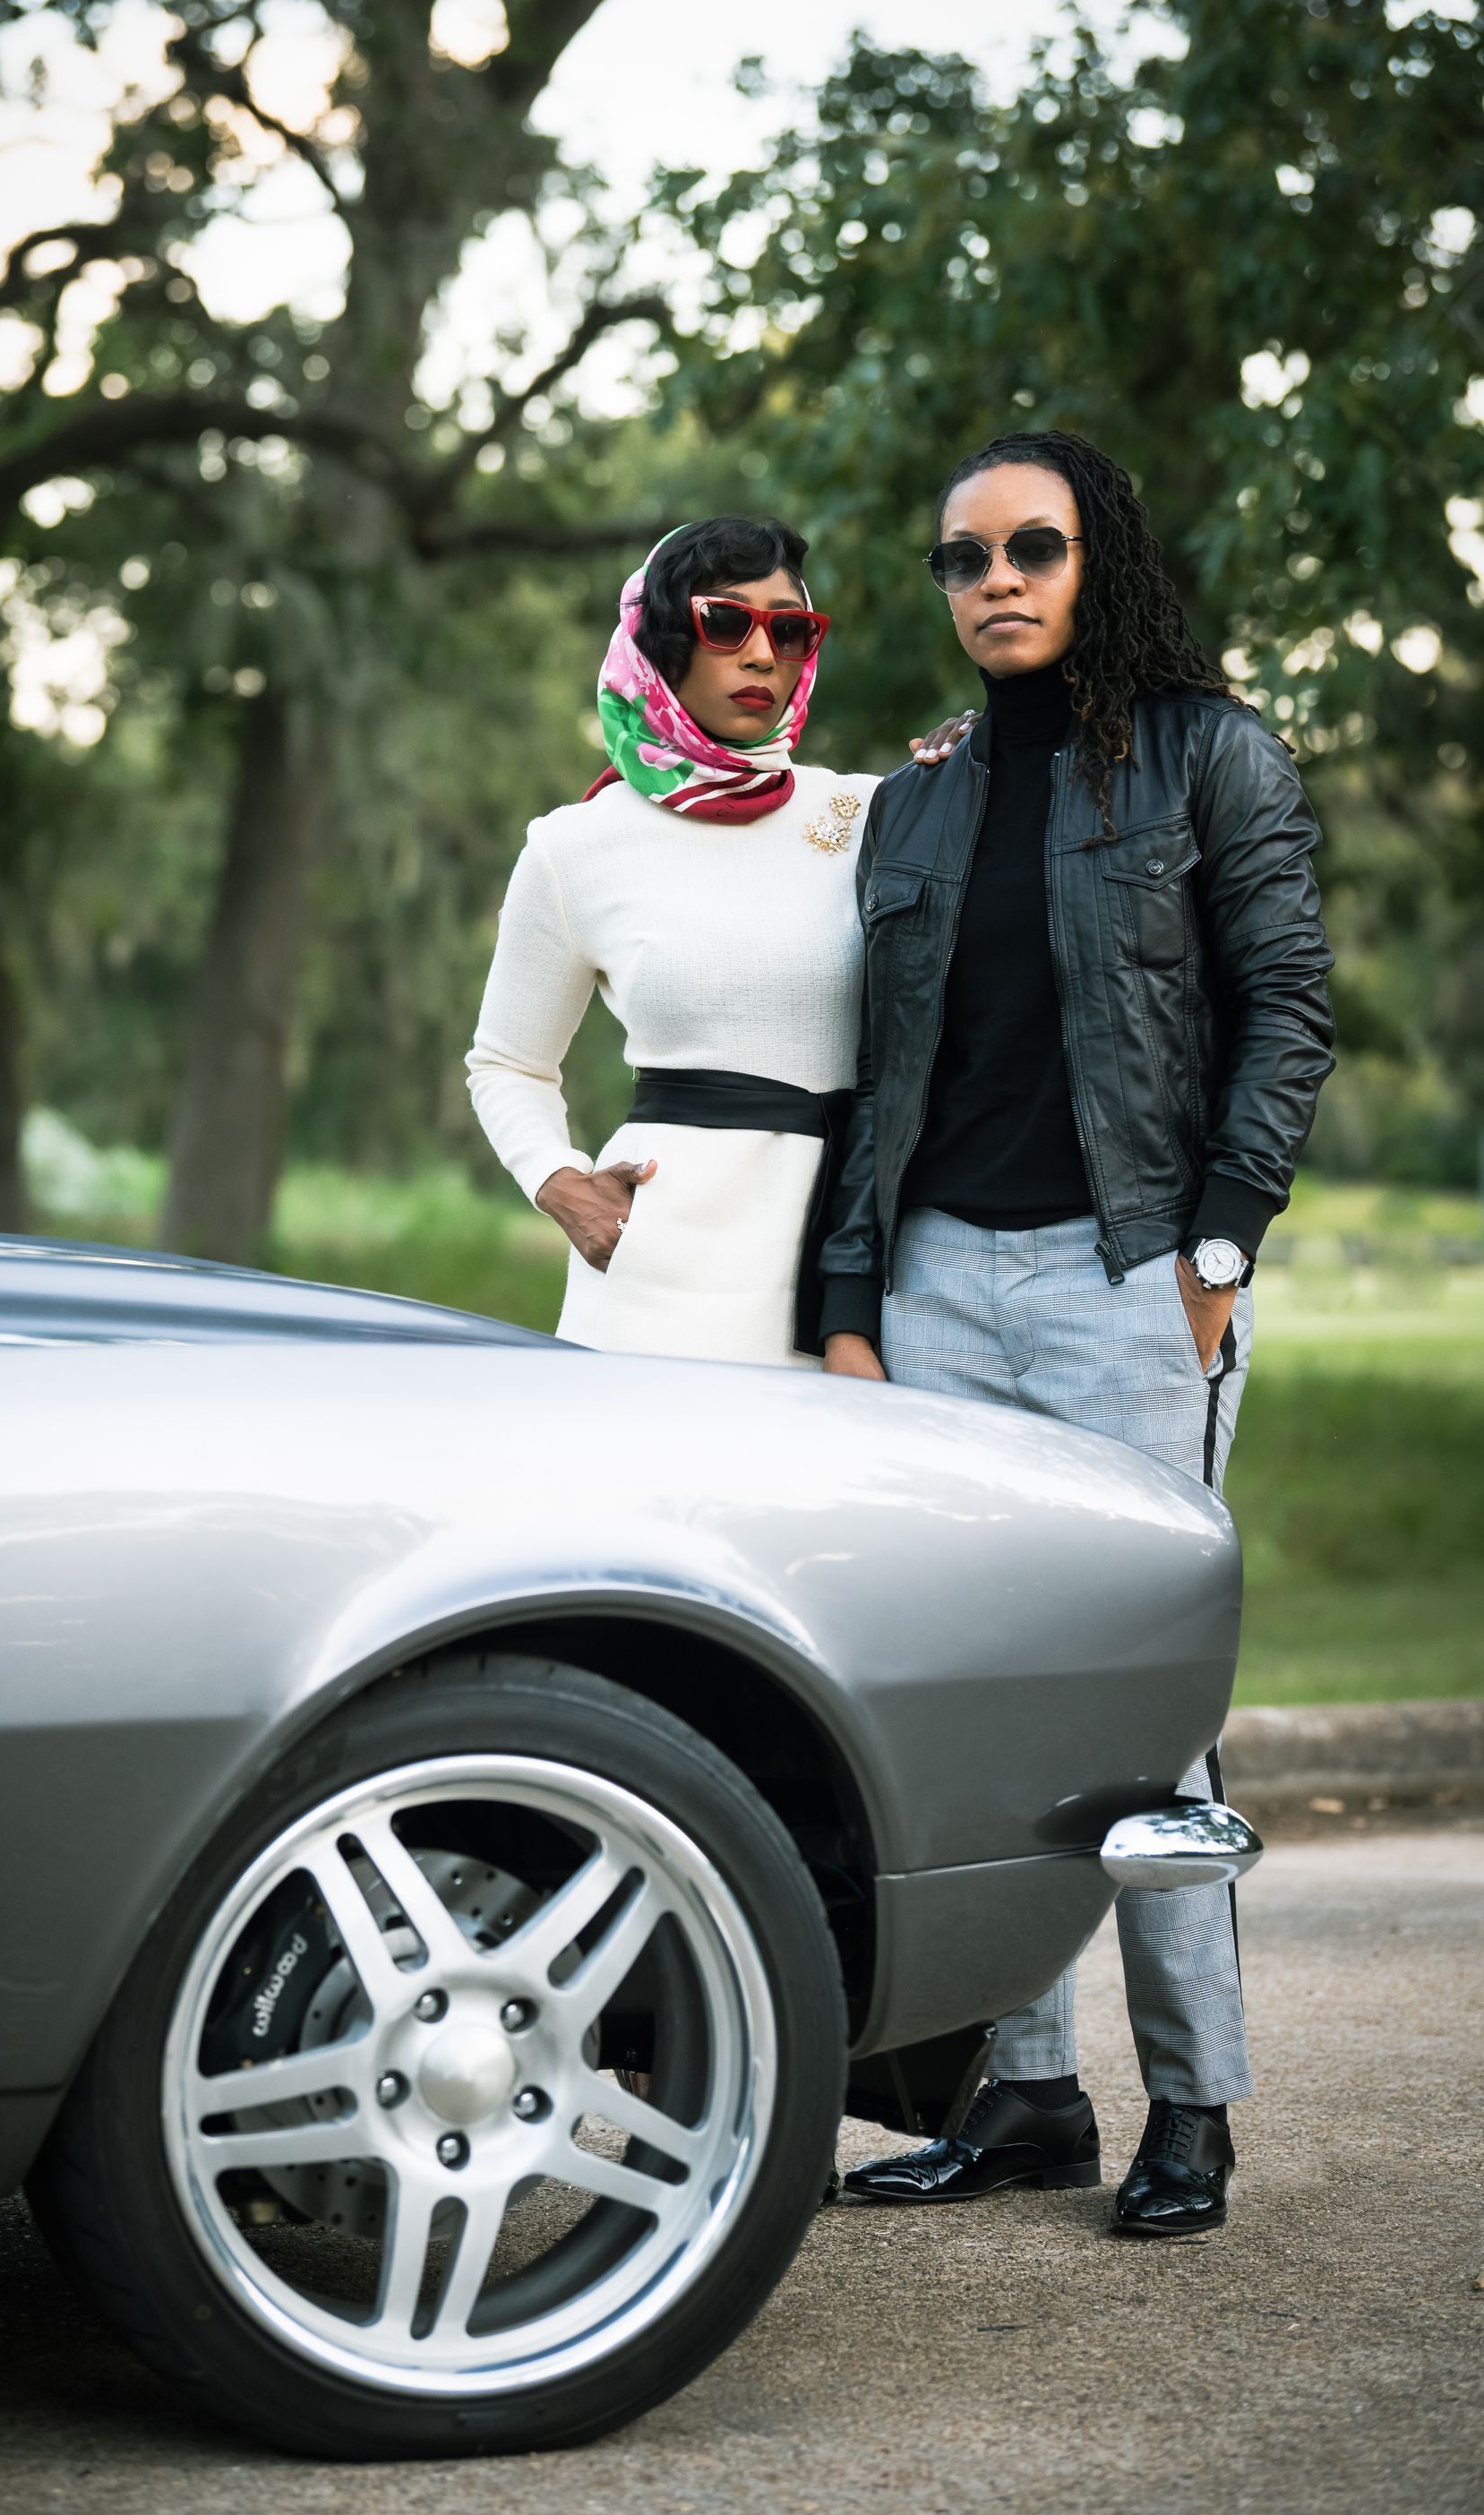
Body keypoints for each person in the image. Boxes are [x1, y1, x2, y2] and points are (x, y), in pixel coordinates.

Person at [821, 430, 1334, 2236]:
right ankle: (1027, 2092)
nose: (998, 583)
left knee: (1147, 1723)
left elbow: (1288, 1011)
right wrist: (854, 1301)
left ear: (1097, 557)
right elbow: (879, 1079)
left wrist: (1218, 1238)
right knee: (977, 1711)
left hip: (1133, 1284)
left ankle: (1191, 2106)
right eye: (963, 559)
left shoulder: (1215, 756)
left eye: (1033, 547)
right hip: (941, 1286)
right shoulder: (919, 799)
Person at [467, 516, 970, 1368]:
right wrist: (560, 1184)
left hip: (843, 1264)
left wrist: (959, 792)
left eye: (790, 629)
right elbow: (507, 1064)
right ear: (662, 638)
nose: (762, 653)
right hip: (656, 1270)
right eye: (726, 621)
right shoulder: (576, 845)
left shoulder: (867, 812)